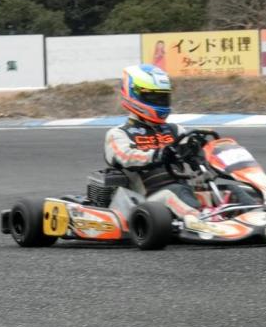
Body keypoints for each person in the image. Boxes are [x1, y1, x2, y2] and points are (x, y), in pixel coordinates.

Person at [104, 64, 255, 220]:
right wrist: (159, 155)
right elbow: (126, 157)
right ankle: (203, 222)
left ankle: (257, 218)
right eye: (153, 97)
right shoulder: (118, 134)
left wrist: (199, 151)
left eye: (163, 97)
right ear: (133, 95)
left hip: (184, 192)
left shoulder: (175, 130)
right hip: (149, 202)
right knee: (175, 191)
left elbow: (197, 151)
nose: (160, 101)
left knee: (231, 190)